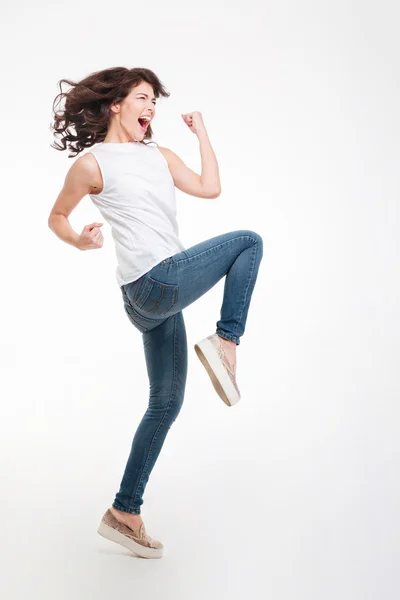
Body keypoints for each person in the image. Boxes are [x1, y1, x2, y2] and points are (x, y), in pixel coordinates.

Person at [48, 66, 263, 559]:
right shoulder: (92, 163)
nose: (150, 109)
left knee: (165, 402)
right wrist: (79, 242)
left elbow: (210, 189)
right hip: (155, 281)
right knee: (248, 242)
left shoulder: (160, 156)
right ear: (116, 104)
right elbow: (56, 215)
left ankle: (124, 512)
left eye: (154, 103)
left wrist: (202, 133)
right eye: (142, 98)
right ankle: (226, 342)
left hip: (150, 298)